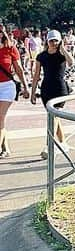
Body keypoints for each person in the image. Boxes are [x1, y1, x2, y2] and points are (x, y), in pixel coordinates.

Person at [30, 29, 73, 158]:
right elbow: (36, 75)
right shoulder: (41, 56)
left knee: (53, 117)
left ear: (59, 41)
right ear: (47, 41)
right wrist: (33, 93)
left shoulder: (62, 55)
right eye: (51, 40)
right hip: (46, 89)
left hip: (60, 89)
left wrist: (63, 49)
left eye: (56, 40)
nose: (53, 43)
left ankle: (49, 145)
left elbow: (71, 62)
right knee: (54, 117)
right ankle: (63, 143)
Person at [0, 25, 29, 159]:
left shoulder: (10, 48)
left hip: (7, 87)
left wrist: (25, 86)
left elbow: (19, 69)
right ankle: (5, 148)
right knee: (1, 119)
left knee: (0, 117)